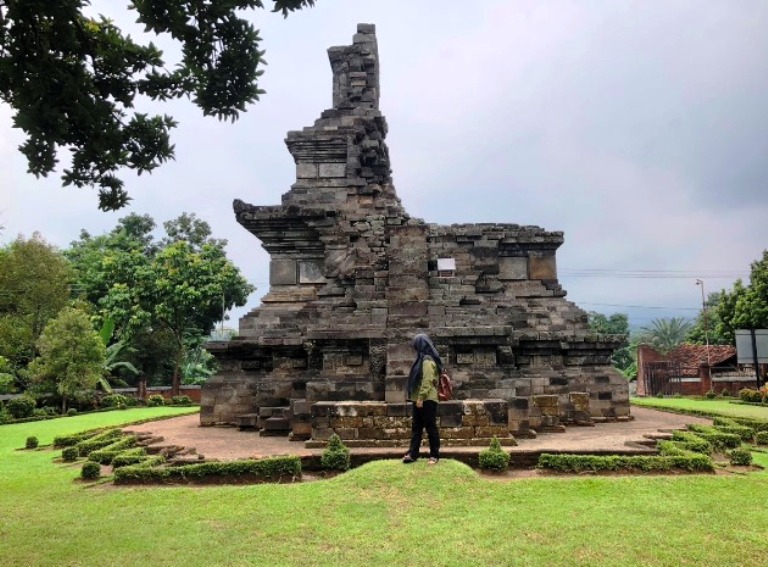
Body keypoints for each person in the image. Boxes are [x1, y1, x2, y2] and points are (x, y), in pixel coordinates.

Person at [402, 333, 442, 465]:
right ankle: (413, 454)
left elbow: (428, 380)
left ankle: (434, 455)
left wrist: (421, 398)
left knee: (430, 427)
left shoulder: (427, 361)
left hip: (427, 399)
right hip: (418, 398)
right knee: (416, 427)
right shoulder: (421, 359)